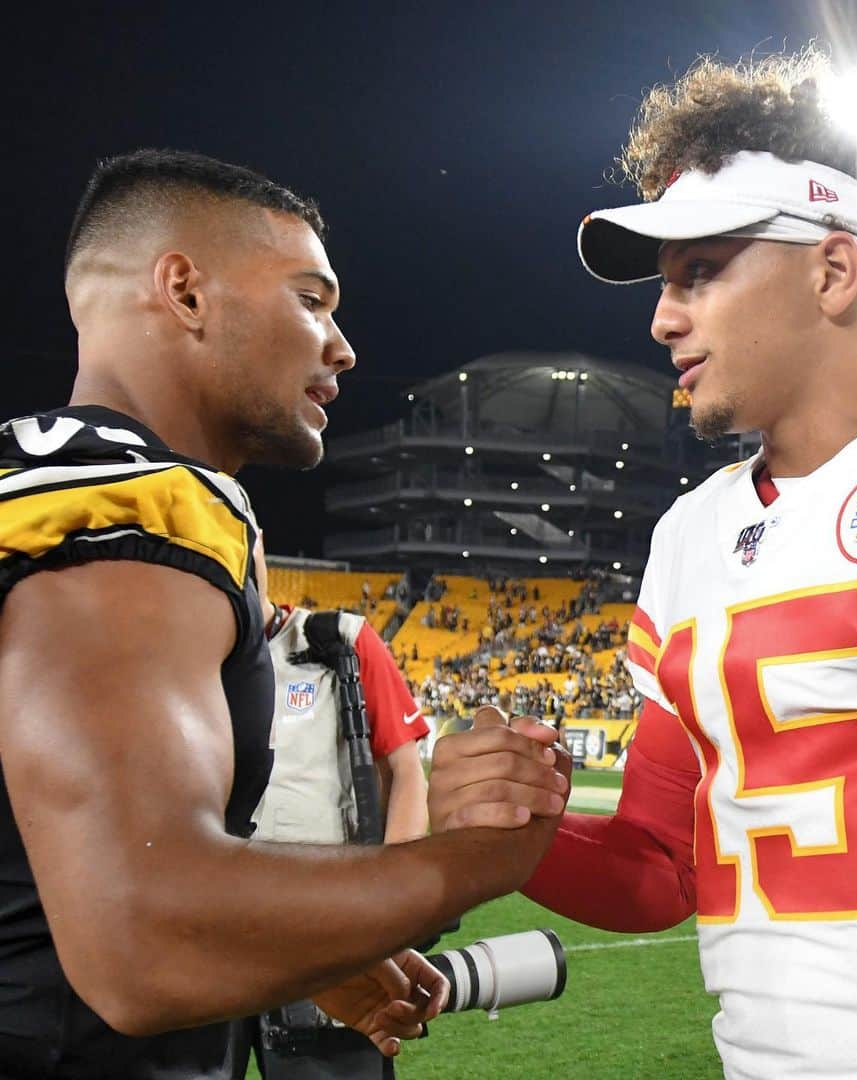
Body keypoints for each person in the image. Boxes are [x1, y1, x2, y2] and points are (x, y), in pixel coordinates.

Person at [427, 51, 857, 1080]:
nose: (663, 318)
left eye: (703, 271)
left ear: (832, 271)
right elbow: (658, 866)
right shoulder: (691, 533)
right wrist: (514, 826)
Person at [0, 148, 569, 1079]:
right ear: (184, 291)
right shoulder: (139, 505)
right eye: (312, 300)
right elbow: (143, 936)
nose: (342, 347)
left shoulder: (37, 482)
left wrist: (278, 959)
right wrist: (476, 857)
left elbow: (40, 892)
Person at [232, 540, 430, 1079]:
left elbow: (408, 772)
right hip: (214, 946)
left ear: (259, 557)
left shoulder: (339, 643)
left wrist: (393, 902)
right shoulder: (180, 666)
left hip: (327, 940)